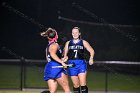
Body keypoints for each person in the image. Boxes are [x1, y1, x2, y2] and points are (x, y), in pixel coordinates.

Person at [63, 27, 95, 93]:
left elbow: (92, 51)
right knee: (76, 85)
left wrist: (91, 58)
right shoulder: (68, 43)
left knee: (83, 84)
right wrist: (64, 60)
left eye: (76, 32)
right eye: (73, 33)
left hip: (81, 64)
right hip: (71, 64)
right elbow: (65, 56)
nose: (75, 34)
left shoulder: (83, 42)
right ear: (71, 34)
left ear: (79, 33)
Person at [40, 28, 71, 93]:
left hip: (49, 68)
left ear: (48, 37)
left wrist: (62, 59)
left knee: (52, 91)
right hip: (56, 68)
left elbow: (49, 59)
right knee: (67, 91)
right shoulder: (55, 45)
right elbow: (53, 55)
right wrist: (62, 62)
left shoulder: (48, 47)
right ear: (56, 36)